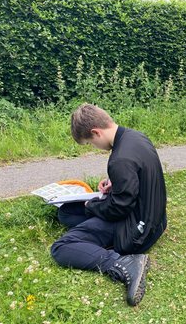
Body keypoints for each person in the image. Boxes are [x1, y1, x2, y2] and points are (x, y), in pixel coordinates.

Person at [50, 104, 167, 306]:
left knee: (61, 248)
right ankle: (93, 234)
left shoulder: (119, 159)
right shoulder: (135, 136)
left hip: (137, 230)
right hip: (153, 217)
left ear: (96, 132)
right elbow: (139, 171)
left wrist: (92, 206)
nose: (93, 148)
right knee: (66, 213)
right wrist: (116, 183)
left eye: (89, 143)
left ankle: (124, 262)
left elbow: (117, 209)